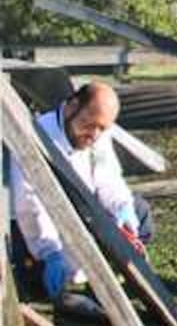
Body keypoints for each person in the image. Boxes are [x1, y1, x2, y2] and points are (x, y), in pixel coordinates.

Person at [8, 83, 153, 300]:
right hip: (34, 225)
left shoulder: (98, 132)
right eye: (88, 123)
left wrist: (122, 208)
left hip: (82, 208)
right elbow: (29, 203)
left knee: (139, 211)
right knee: (33, 284)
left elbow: (108, 178)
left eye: (102, 128)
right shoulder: (36, 134)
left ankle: (112, 276)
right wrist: (49, 252)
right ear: (71, 107)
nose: (94, 134)